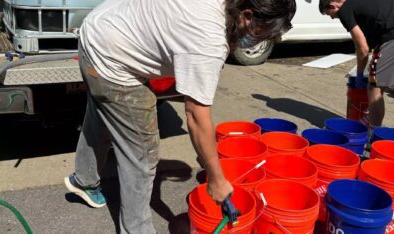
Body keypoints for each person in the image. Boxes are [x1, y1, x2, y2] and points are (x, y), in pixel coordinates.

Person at [64, 0, 296, 233]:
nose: (264, 41)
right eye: (265, 33)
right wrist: (216, 179)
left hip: (100, 27)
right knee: (142, 154)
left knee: (105, 116)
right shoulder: (208, 39)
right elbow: (196, 116)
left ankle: (84, 181)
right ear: (246, 15)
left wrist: (206, 157)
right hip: (111, 56)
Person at [319, 0, 394, 133]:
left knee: (374, 87)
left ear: (333, 5)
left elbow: (362, 48)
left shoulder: (345, 9)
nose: (333, 17)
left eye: (332, 15)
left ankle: (372, 133)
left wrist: (359, 73)